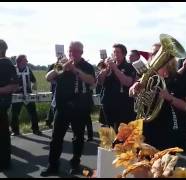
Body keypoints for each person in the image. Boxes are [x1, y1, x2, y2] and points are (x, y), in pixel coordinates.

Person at [41, 41, 96, 176]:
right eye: (70, 50)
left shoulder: (87, 66)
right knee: (56, 138)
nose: (72, 53)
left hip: (80, 108)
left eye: (75, 51)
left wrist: (75, 70)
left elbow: (91, 81)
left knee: (78, 138)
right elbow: (48, 77)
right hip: (62, 107)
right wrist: (60, 68)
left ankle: (75, 163)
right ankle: (53, 165)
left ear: (81, 53)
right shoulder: (60, 64)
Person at [129, 58, 186, 150]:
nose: (155, 58)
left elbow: (185, 106)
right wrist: (134, 89)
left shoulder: (177, 79)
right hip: (145, 127)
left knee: (162, 162)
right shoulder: (147, 76)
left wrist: (169, 97)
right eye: (154, 55)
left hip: (166, 129)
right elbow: (130, 92)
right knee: (142, 161)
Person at [97, 43, 136, 132]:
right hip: (107, 104)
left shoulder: (129, 66)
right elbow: (100, 81)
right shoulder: (108, 66)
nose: (115, 54)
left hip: (123, 105)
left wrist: (115, 69)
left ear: (124, 54)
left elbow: (128, 82)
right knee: (109, 134)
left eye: (117, 52)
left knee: (121, 135)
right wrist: (105, 70)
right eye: (114, 52)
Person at [10, 54, 42, 136]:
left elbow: (33, 80)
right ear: (19, 61)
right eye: (25, 60)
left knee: (33, 112)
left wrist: (34, 84)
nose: (27, 62)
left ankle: (35, 129)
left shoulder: (28, 69)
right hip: (17, 95)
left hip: (28, 94)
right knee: (15, 113)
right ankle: (15, 131)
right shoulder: (12, 69)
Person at [0, 39, 19, 170]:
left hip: (1, 104)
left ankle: (4, 163)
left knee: (2, 135)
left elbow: (14, 85)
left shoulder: (6, 64)